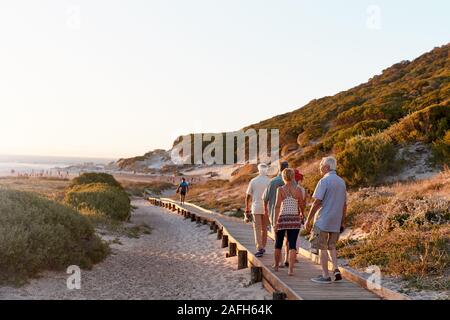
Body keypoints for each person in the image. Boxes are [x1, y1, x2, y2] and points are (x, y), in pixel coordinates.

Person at [305, 156, 347, 284]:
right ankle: (335, 269)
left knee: (322, 247)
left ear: (327, 167)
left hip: (323, 219)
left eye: (321, 165)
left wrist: (308, 219)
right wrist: (342, 221)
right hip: (336, 219)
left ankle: (325, 275)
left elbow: (317, 202)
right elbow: (345, 205)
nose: (319, 167)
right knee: (332, 246)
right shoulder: (341, 182)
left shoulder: (324, 181)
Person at [273, 168, 305, 276]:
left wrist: (275, 221)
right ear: (293, 177)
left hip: (283, 219)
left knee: (278, 243)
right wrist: (302, 214)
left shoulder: (280, 189)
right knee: (292, 245)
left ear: (283, 177)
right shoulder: (298, 190)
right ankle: (290, 270)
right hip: (294, 219)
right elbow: (301, 205)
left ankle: (277, 266)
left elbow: (277, 206)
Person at [263, 160, 290, 267]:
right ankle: (287, 258)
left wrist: (265, 210)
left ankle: (278, 261)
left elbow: (265, 198)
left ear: (279, 168)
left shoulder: (272, 182)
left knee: (277, 238)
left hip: (275, 213)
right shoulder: (292, 182)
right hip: (289, 213)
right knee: (288, 237)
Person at [245, 163, 271, 258]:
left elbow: (248, 196)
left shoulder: (253, 181)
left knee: (257, 228)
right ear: (267, 170)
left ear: (259, 170)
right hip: (266, 208)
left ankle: (259, 247)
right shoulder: (269, 181)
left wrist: (247, 208)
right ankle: (263, 247)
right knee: (265, 229)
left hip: (255, 207)